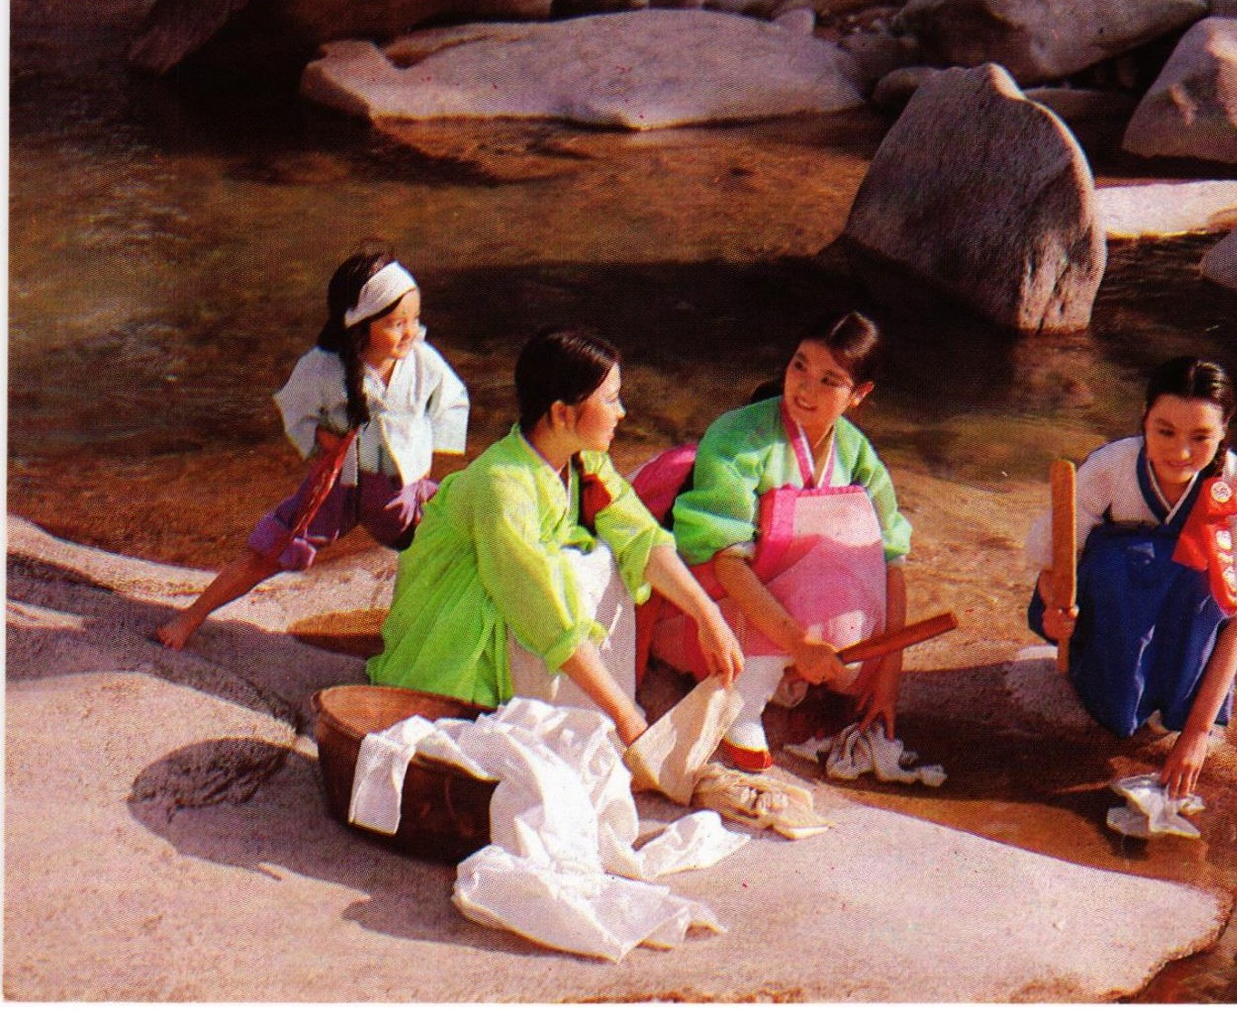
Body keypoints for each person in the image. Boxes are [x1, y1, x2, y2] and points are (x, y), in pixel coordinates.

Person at [367, 327, 744, 747]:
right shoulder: (501, 484)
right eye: (610, 399)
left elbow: (642, 536)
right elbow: (541, 610)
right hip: (456, 642)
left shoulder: (584, 460)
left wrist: (707, 616)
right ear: (563, 413)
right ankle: (597, 714)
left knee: (608, 553)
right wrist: (625, 714)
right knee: (577, 567)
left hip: (529, 617)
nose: (621, 412)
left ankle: (596, 712)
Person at [156, 242, 469, 650]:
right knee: (269, 550)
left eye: (415, 319)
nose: (410, 331)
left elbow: (453, 400)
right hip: (338, 486)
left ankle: (439, 639)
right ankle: (189, 617)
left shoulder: (422, 360)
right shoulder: (323, 366)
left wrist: (426, 453)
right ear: (361, 322)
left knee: (460, 535)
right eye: (396, 322)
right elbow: (294, 405)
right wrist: (319, 436)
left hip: (400, 490)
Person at [1025, 356, 1237, 799]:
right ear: (1144, 418)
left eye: (1200, 436)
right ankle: (1113, 687)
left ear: (1225, 430)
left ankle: (1177, 701)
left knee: (1205, 581)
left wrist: (1198, 734)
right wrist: (1055, 611)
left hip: (1191, 619)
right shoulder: (1110, 467)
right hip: (1118, 604)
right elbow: (1055, 560)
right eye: (1165, 431)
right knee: (1113, 560)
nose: (1180, 452)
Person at [664, 311, 913, 772]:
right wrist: (799, 643)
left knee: (861, 535)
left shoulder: (856, 453)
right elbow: (723, 559)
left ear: (859, 394)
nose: (804, 388)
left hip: (793, 616)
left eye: (829, 380)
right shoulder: (738, 436)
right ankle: (747, 699)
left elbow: (891, 560)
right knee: (826, 539)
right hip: (719, 606)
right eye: (799, 366)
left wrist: (888, 677)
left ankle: (789, 674)